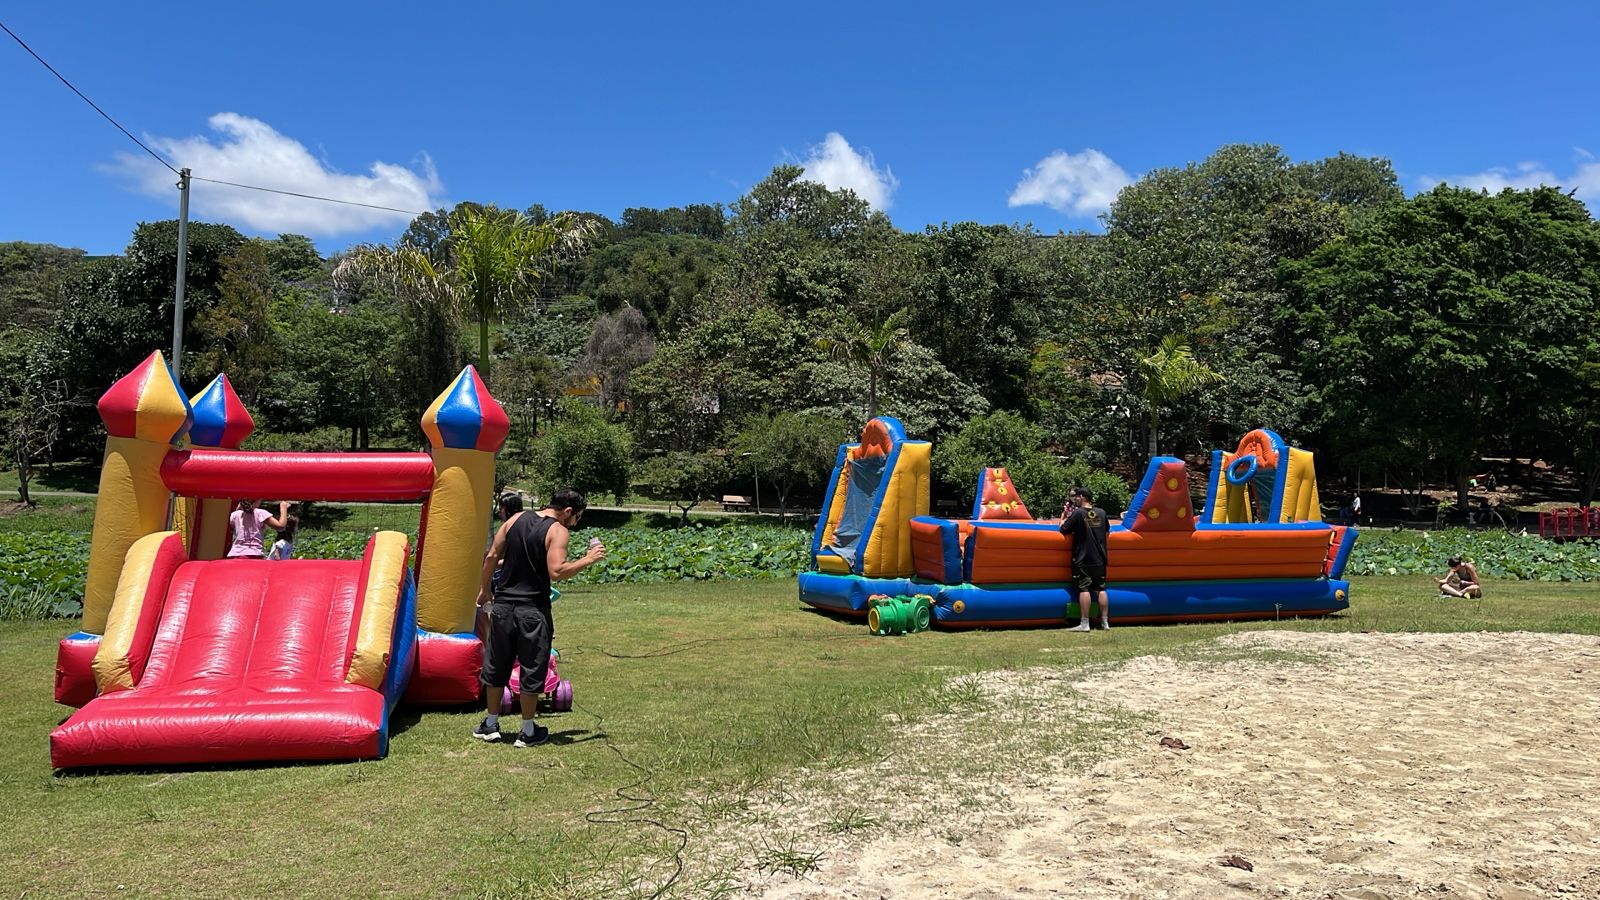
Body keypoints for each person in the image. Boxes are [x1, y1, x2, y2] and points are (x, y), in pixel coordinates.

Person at [474, 487, 606, 747]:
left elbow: (490, 557)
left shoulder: (514, 520)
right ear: (568, 511)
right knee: (533, 666)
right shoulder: (558, 531)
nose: (575, 522)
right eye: (576, 517)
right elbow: (556, 571)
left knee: (496, 663)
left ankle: (490, 724)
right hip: (532, 610)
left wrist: (485, 591)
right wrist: (588, 559)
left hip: (503, 607)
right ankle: (527, 731)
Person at [1059, 486, 1111, 632]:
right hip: (1100, 558)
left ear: (1081, 497)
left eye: (1076, 497)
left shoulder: (1078, 513)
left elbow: (1063, 529)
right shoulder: (1101, 512)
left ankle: (1084, 623)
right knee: (1100, 589)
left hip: (1083, 558)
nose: (1075, 499)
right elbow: (1107, 531)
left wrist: (1063, 517)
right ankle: (1105, 622)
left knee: (1084, 589)